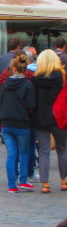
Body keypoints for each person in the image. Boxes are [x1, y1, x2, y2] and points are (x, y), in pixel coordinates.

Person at [0, 53, 36, 193]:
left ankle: (11, 184)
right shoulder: (28, 85)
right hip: (22, 123)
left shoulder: (6, 83)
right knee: (24, 153)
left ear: (14, 69)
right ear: (26, 70)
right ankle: (23, 180)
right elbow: (31, 104)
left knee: (11, 155)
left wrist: (0, 119)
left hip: (6, 123)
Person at [31, 49, 67, 194]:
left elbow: (33, 100)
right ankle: (63, 181)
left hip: (40, 118)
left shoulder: (35, 79)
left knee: (44, 151)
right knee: (62, 149)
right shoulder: (60, 77)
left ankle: (45, 184)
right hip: (58, 117)